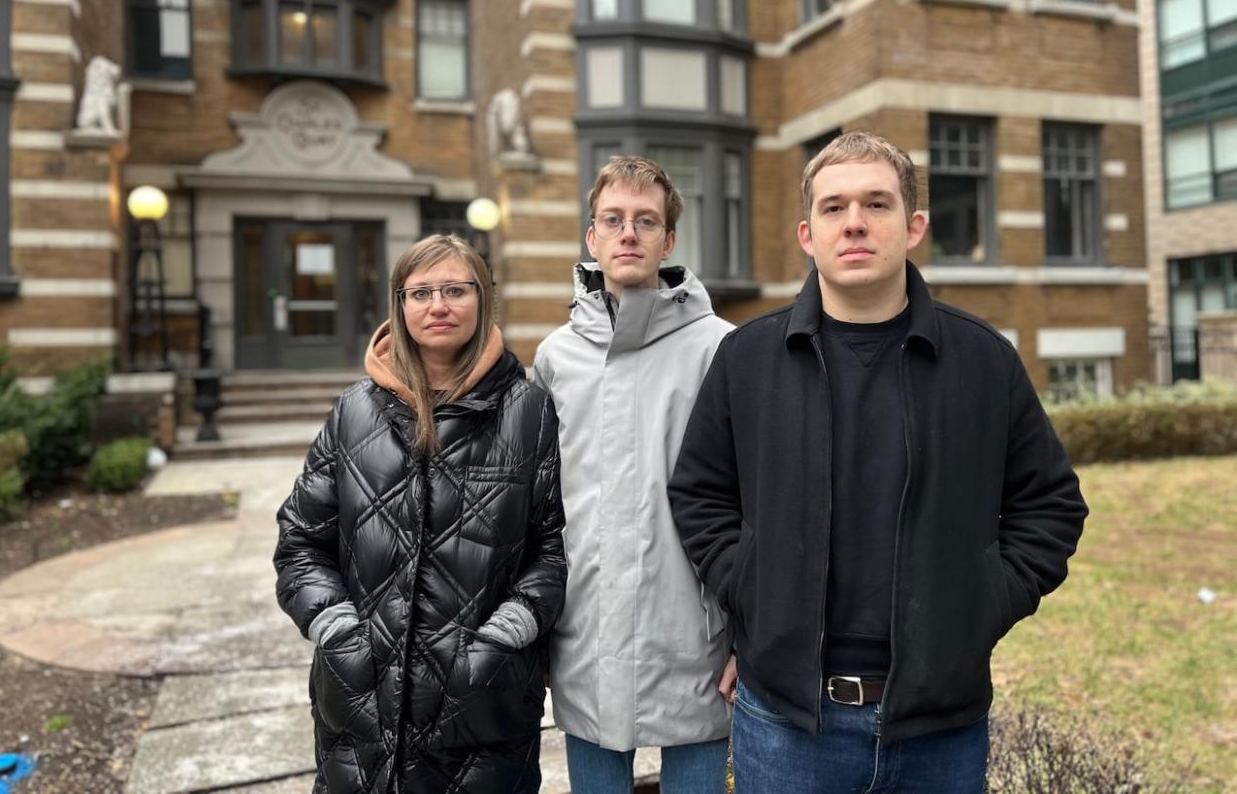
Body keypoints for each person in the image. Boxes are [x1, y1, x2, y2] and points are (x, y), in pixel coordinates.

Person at [668, 132, 1087, 792]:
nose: (855, 222)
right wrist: (755, 589)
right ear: (807, 234)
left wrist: (982, 602)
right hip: (786, 724)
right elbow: (698, 495)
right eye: (834, 208)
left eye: (876, 204)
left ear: (914, 225)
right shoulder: (748, 361)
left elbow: (1051, 505)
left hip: (937, 728)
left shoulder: (983, 361)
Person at [274, 234, 567, 794]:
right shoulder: (354, 411)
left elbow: (552, 548)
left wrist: (503, 638)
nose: (438, 305)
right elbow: (300, 540)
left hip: (483, 701)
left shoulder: (528, 411)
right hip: (359, 701)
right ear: (399, 304)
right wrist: (337, 630)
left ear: (482, 299)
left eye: (456, 290)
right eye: (421, 292)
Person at [532, 156, 735, 793]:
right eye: (613, 220)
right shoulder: (555, 356)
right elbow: (536, 500)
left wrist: (748, 635)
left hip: (696, 627)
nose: (628, 233)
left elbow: (752, 499)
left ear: (668, 240)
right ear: (591, 237)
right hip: (585, 626)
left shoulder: (721, 348)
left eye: (645, 221)